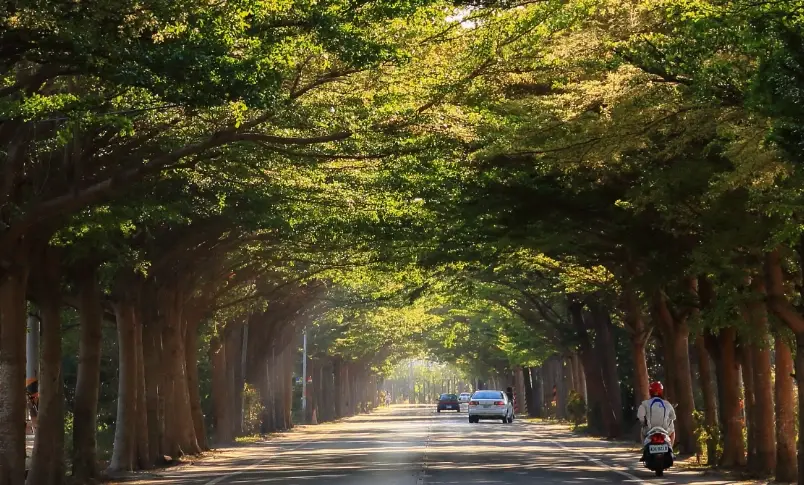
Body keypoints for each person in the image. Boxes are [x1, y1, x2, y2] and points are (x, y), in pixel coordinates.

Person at [637, 381, 676, 445]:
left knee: (642, 431)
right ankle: (670, 448)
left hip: (649, 430)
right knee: (673, 431)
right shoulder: (667, 404)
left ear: (650, 391)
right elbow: (673, 417)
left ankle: (644, 447)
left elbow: (640, 416)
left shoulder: (645, 403)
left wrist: (643, 421)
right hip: (665, 429)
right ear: (661, 391)